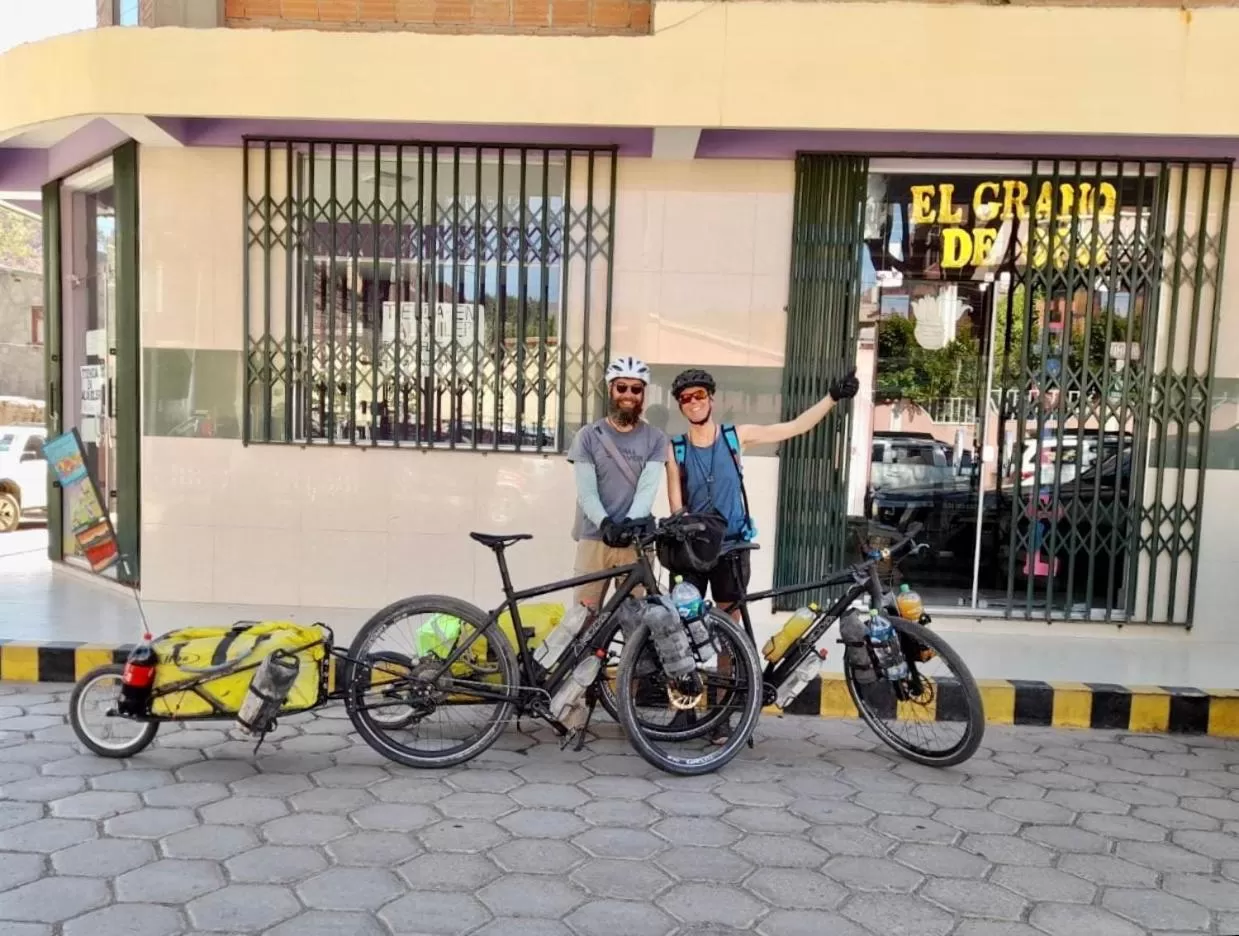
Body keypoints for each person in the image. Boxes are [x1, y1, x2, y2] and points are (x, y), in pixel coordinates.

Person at [666, 365, 860, 741]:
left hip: (732, 547)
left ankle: (720, 715)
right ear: (680, 405)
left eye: (700, 396)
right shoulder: (676, 449)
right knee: (681, 632)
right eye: (686, 398)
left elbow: (794, 427)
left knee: (726, 632)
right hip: (691, 552)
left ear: (712, 398)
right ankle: (682, 712)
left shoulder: (735, 437)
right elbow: (676, 506)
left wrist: (832, 398)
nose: (693, 403)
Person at [566, 355, 668, 610]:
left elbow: (647, 489)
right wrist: (606, 523)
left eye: (636, 389)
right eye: (622, 387)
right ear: (610, 389)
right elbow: (587, 492)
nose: (629, 395)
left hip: (635, 541)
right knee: (584, 618)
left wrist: (627, 525)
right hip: (594, 537)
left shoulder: (655, 438)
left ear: (643, 394)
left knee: (636, 622)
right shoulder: (588, 436)